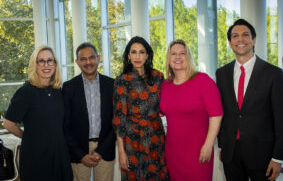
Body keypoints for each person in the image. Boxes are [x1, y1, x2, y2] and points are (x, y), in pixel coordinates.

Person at [216, 19, 283, 181]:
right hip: (231, 154)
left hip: (262, 154)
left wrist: (278, 157)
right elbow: (223, 112)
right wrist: (223, 145)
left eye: (245, 35)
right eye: (235, 36)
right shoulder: (221, 73)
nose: (240, 40)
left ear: (253, 40)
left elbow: (282, 117)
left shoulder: (274, 74)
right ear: (230, 42)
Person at [3, 46, 73, 181]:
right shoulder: (26, 91)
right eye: (41, 61)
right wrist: (29, 137)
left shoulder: (57, 91)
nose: (46, 65)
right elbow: (8, 123)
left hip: (59, 154)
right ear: (35, 65)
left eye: (50, 60)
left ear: (55, 64)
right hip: (36, 156)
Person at [160, 39, 224, 181]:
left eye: (182, 53)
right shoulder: (165, 84)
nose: (177, 57)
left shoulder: (203, 81)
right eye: (173, 54)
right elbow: (165, 111)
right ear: (168, 58)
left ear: (188, 57)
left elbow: (217, 115)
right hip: (172, 152)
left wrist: (208, 145)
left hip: (198, 150)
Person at [113, 36, 168, 180]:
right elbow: (119, 119)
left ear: (147, 55)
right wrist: (121, 152)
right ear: (128, 56)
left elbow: (165, 106)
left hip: (156, 137)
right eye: (134, 52)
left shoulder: (158, 77)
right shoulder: (121, 80)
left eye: (142, 52)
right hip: (132, 140)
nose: (138, 56)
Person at [62, 42, 115, 181]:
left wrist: (101, 151)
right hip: (78, 150)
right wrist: (80, 154)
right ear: (77, 62)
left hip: (105, 148)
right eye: (83, 59)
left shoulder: (112, 85)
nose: (88, 62)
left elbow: (116, 122)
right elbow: (65, 125)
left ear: (98, 59)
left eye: (91, 57)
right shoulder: (68, 88)